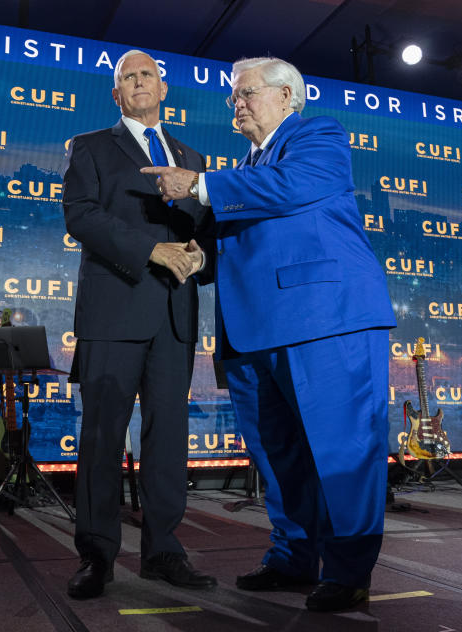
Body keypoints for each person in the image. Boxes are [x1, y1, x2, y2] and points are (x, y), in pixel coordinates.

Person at [143, 56, 396, 612]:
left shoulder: (317, 135)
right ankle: (294, 557)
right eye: (234, 96)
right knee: (277, 455)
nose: (237, 103)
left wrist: (200, 185)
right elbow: (245, 240)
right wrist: (197, 255)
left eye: (247, 93)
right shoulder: (248, 166)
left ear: (287, 97)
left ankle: (350, 571)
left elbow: (294, 186)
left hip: (326, 321)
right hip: (254, 331)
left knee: (343, 450)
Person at [61, 50, 215, 600]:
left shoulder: (194, 158)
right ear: (116, 94)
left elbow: (209, 238)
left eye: (146, 74)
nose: (137, 82)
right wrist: (152, 250)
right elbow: (81, 214)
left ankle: (164, 552)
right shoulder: (92, 147)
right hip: (114, 313)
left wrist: (199, 259)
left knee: (169, 439)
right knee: (102, 439)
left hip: (175, 317)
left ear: (163, 88)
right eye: (127, 77)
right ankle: (97, 555)